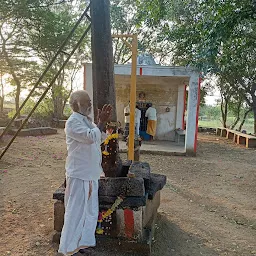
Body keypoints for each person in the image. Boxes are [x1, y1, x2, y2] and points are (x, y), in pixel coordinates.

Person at [58, 90, 112, 256]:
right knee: (76, 213)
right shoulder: (73, 122)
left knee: (89, 212)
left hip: (91, 174)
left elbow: (98, 137)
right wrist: (101, 122)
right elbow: (89, 137)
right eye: (85, 102)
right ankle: (68, 249)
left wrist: (101, 125)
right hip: (79, 174)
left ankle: (81, 244)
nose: (89, 104)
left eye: (89, 101)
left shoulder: (86, 120)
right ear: (75, 105)